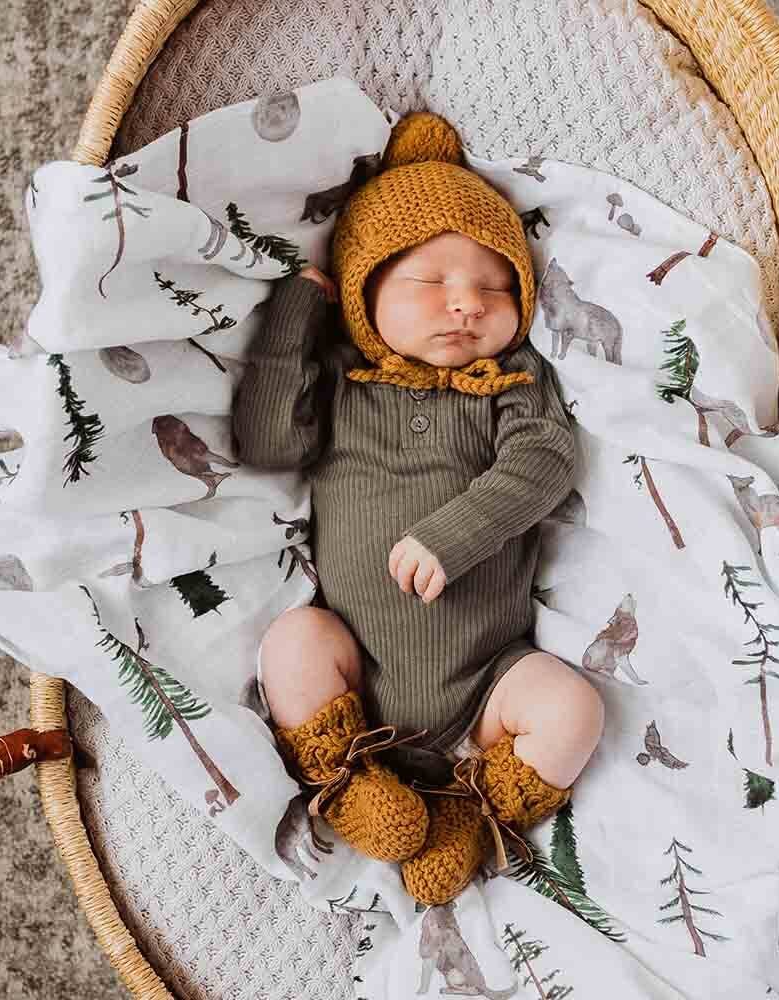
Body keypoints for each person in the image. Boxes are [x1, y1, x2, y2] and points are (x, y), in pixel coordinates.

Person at [233, 112, 604, 906]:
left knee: (572, 708)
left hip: (489, 688)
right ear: (365, 296)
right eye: (430, 282)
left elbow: (544, 462)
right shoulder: (344, 379)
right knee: (295, 641)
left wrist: (454, 534)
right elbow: (267, 444)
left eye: (495, 285)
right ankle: (350, 779)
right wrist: (299, 313)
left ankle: (474, 811)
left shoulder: (513, 383)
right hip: (355, 672)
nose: (465, 303)